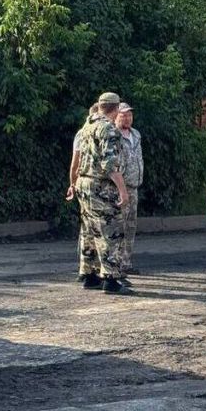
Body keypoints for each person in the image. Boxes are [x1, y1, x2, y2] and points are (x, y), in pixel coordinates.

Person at [76, 92, 132, 295]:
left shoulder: (87, 125)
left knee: (89, 230)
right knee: (111, 230)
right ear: (116, 108)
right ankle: (110, 278)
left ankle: (89, 274)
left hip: (84, 182)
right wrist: (123, 191)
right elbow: (110, 165)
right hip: (100, 185)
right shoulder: (109, 129)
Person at [68, 104, 99, 282]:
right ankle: (94, 270)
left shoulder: (82, 133)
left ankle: (85, 269)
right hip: (93, 186)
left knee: (87, 227)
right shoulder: (96, 133)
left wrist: (73, 183)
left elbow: (75, 163)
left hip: (82, 183)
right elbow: (75, 161)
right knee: (98, 229)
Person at [116, 102, 143, 275]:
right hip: (120, 187)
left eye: (129, 115)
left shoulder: (136, 134)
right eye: (123, 115)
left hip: (134, 186)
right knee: (118, 225)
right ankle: (115, 263)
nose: (127, 118)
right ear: (116, 116)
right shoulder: (113, 135)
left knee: (130, 226)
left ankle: (126, 262)